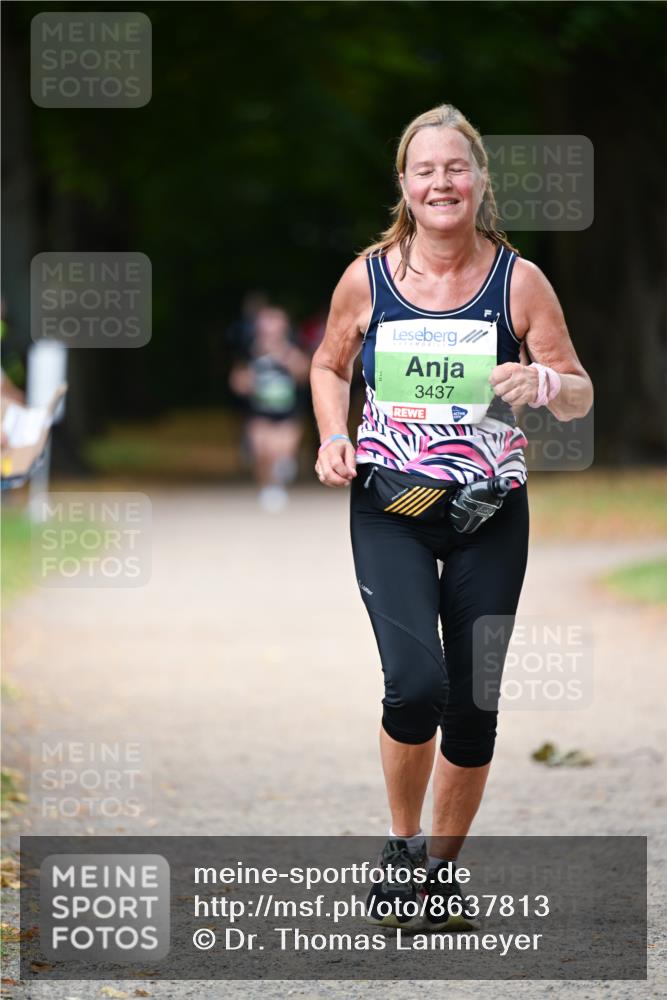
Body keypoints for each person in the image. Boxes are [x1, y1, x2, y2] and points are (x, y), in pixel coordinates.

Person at [310, 103, 593, 930]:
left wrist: (541, 385)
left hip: (489, 512)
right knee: (417, 685)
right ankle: (400, 853)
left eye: (455, 168)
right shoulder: (369, 278)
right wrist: (333, 435)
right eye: (424, 170)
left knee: (474, 698)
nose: (441, 182)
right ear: (404, 184)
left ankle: (436, 876)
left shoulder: (520, 281)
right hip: (391, 509)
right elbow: (328, 364)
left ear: (477, 182)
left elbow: (577, 393)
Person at [229, 305, 310, 511]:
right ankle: (268, 487)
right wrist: (248, 380)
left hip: (288, 411)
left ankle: (283, 469)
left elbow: (304, 373)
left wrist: (285, 356)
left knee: (283, 451)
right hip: (259, 411)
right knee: (261, 452)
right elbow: (237, 382)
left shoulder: (292, 348)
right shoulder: (249, 351)